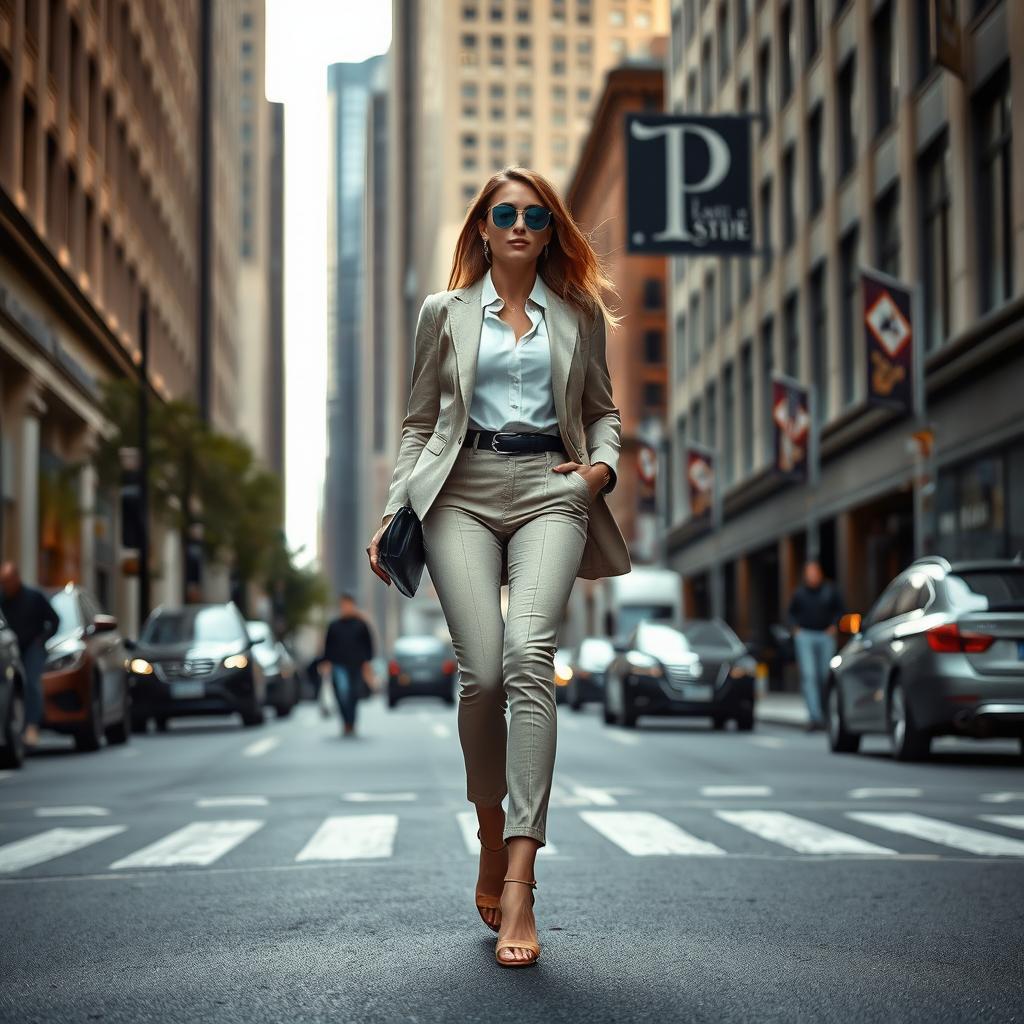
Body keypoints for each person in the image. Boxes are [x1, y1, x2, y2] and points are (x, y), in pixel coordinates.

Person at [367, 167, 631, 968]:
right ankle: (490, 823)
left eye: (535, 215)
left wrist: (599, 471)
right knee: (480, 670)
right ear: (482, 226)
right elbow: (418, 423)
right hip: (459, 491)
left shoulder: (580, 315)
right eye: (504, 213)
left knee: (528, 658)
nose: (519, 225)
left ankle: (519, 875)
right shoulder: (442, 314)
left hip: (553, 485)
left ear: (551, 231)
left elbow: (603, 413)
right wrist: (394, 509)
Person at [0, 562, 59, 750]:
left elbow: (55, 620)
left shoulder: (34, 597)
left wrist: (42, 640)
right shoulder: (2, 599)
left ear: (16, 579)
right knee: (13, 685)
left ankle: (32, 726)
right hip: (11, 646)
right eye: (2, 582)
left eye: (8, 581)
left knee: (32, 683)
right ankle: (16, 727)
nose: (5, 586)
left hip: (32, 646)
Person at [787, 560, 845, 732]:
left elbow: (840, 610)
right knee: (809, 676)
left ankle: (827, 714)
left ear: (820, 573)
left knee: (824, 676)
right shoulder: (800, 593)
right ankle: (814, 717)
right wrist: (796, 629)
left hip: (825, 636)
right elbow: (791, 613)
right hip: (805, 636)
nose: (812, 575)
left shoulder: (830, 591)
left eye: (814, 572)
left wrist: (834, 626)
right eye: (809, 572)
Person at [320, 593, 375, 737]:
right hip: (339, 665)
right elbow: (328, 646)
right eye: (343, 605)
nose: (346, 608)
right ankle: (345, 722)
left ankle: (351, 723)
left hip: (357, 665)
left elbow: (369, 645)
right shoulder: (334, 625)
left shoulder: (361, 625)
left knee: (354, 694)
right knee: (342, 693)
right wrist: (326, 662)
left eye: (348, 605)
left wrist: (368, 662)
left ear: (353, 606)